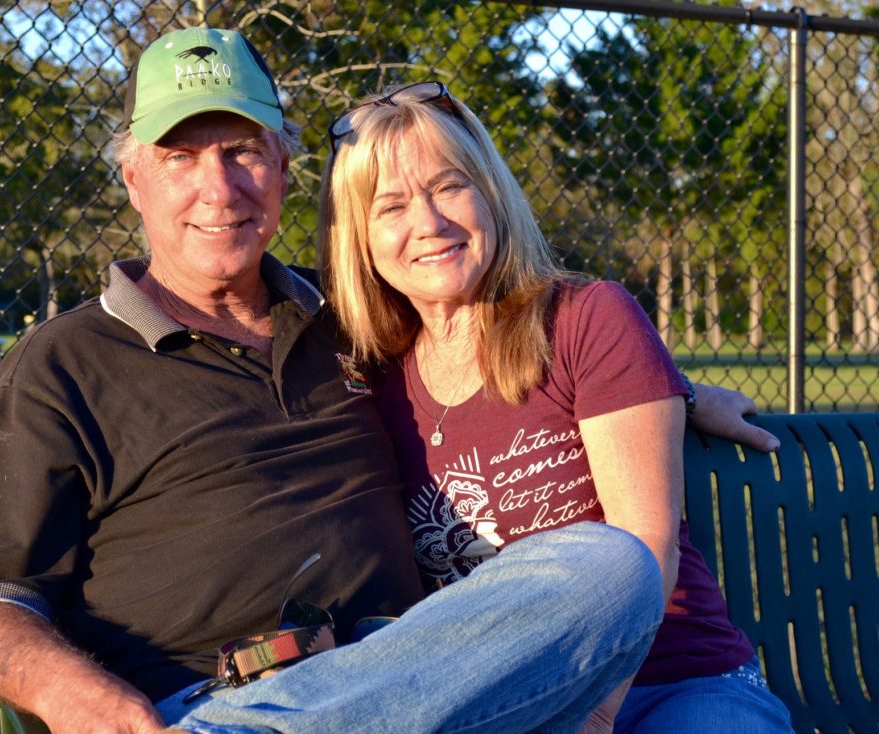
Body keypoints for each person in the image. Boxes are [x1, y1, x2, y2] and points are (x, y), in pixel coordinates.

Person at [0, 27, 776, 734]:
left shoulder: (356, 324)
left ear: (284, 167)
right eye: (180, 156)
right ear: (133, 178)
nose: (217, 189)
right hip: (217, 695)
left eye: (240, 152)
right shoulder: (62, 364)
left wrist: (672, 394)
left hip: (433, 684)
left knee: (607, 565)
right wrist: (79, 697)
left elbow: (519, 348)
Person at [318, 80, 794, 733]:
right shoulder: (367, 375)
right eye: (391, 205)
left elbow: (645, 546)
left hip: (672, 683)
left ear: (490, 192)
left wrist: (592, 719)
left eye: (450, 186)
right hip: (499, 705)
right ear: (359, 239)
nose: (428, 224)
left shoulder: (584, 318)